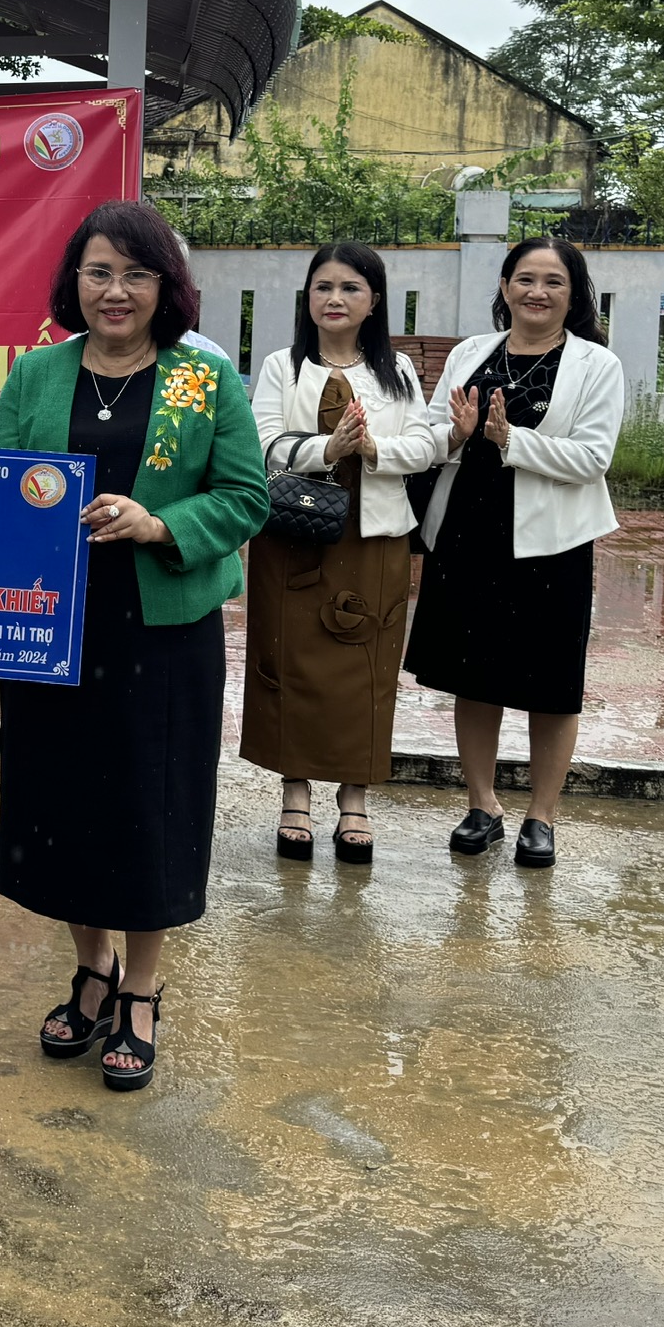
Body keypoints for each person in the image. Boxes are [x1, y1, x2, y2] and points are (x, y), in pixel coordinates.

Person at [0, 200, 267, 1092]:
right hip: (54, 629)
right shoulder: (37, 372)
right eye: (99, 271)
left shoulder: (201, 377)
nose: (116, 291)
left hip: (162, 630)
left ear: (165, 287)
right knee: (67, 803)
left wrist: (159, 523)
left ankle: (141, 989)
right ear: (74, 280)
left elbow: (247, 497)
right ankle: (92, 967)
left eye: (136, 274)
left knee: (151, 805)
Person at [404, 237, 624, 871]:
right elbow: (431, 431)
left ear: (574, 295)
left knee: (551, 684)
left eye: (554, 281)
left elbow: (593, 458)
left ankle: (541, 816)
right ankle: (482, 805)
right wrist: (456, 435)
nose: (537, 292)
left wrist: (511, 440)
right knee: (474, 677)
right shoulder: (471, 353)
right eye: (525, 278)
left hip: (551, 543)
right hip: (467, 533)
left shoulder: (596, 365)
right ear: (504, 287)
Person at [239, 243, 439, 866]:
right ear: (308, 298)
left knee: (367, 671)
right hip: (294, 535)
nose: (334, 299)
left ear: (373, 301)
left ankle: (355, 800)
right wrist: (328, 448)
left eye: (350, 288)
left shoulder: (396, 371)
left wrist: (373, 450)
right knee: (288, 662)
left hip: (374, 537)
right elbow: (261, 445)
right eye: (323, 287)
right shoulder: (281, 365)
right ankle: (294, 795)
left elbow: (425, 444)